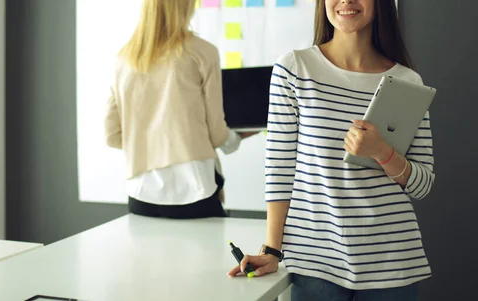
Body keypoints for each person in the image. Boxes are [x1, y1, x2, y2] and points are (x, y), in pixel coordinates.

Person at [227, 0, 435, 300]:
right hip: (314, 265)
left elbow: (423, 184)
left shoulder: (407, 82)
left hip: (392, 265)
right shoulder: (294, 69)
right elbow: (279, 170)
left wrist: (383, 153)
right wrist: (272, 250)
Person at [104, 0, 255, 219]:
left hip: (141, 191)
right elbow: (216, 132)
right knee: (209, 253)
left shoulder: (123, 58)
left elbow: (111, 135)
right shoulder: (202, 52)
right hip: (193, 187)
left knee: (146, 255)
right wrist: (238, 137)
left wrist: (147, 143)